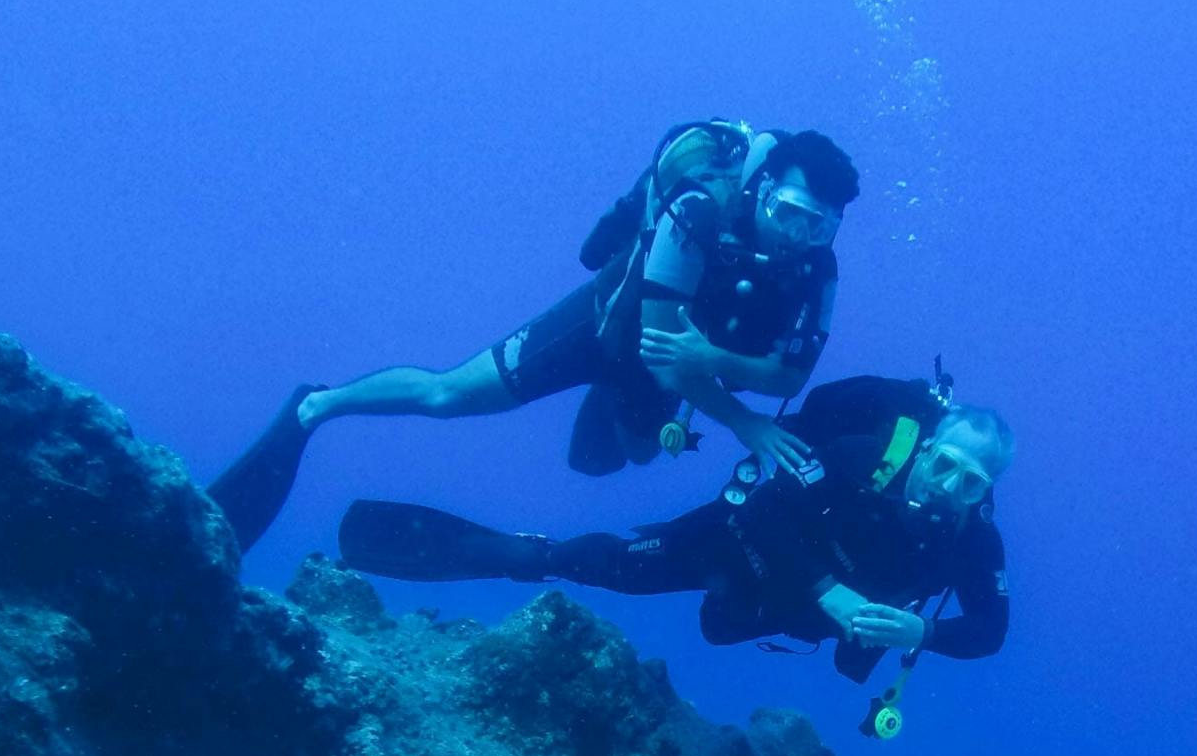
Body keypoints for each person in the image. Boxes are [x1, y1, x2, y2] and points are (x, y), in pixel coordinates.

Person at [208, 120, 858, 554]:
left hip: (675, 366)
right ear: (763, 191)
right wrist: (744, 419)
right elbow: (664, 351)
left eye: (817, 226)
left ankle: (612, 401)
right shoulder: (696, 213)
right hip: (606, 325)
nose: (796, 237)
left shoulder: (816, 270)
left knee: (630, 457)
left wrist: (713, 358)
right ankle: (315, 406)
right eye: (789, 214)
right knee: (446, 395)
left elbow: (791, 376)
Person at [336, 374, 1013, 684]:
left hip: (780, 607)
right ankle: (524, 551)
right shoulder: (860, 458)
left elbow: (991, 630)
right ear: (926, 449)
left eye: (973, 482)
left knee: (719, 627)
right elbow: (759, 507)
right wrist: (829, 589)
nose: (951, 487)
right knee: (618, 567)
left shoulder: (974, 542)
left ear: (988, 491)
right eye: (947, 464)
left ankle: (737, 606)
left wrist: (925, 631)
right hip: (738, 543)